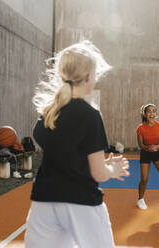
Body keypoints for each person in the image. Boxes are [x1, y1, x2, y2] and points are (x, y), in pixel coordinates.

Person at [24, 40, 130, 248]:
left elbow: (52, 145)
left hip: (44, 200)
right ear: (89, 77)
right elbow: (99, 173)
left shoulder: (48, 113)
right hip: (81, 200)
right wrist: (113, 168)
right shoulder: (90, 115)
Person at [136, 103, 159, 212]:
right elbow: (140, 144)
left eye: (154, 111)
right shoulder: (140, 128)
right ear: (145, 114)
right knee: (144, 178)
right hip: (145, 152)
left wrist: (156, 147)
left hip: (157, 152)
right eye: (149, 111)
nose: (152, 113)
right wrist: (147, 148)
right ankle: (140, 199)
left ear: (156, 114)